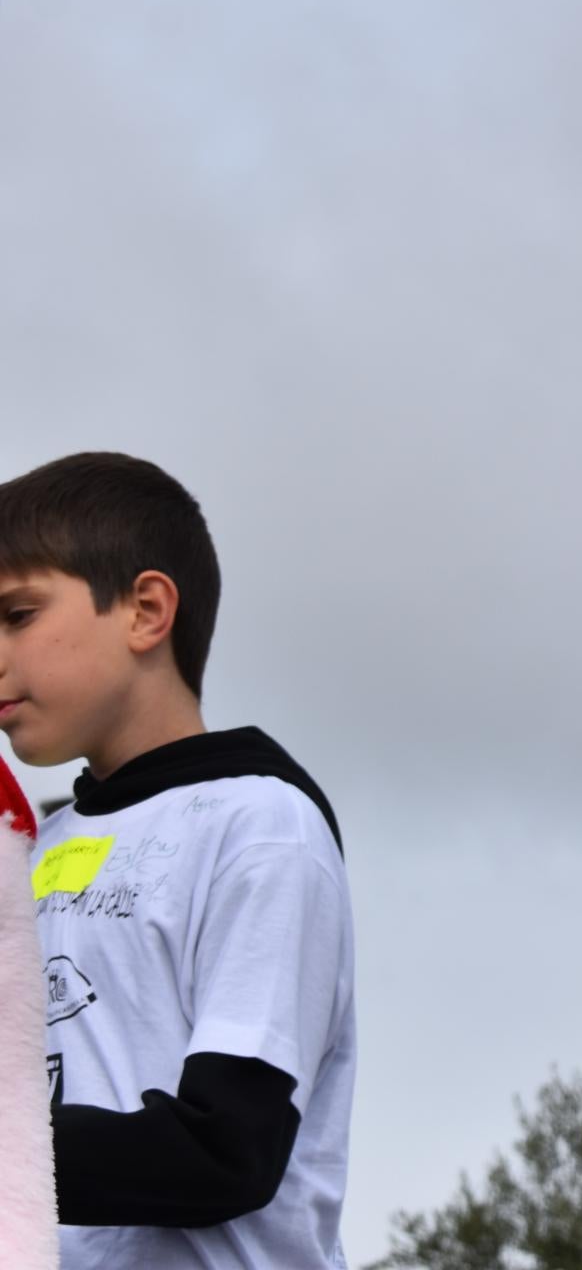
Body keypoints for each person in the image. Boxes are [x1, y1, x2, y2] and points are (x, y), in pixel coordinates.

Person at [0, 452, 355, 1269]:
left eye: (16, 615)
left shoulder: (261, 826)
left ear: (146, 610)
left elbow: (224, 1151)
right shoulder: (35, 854)